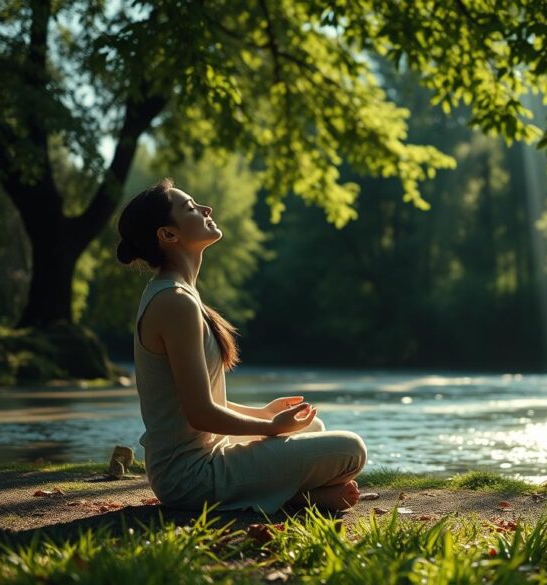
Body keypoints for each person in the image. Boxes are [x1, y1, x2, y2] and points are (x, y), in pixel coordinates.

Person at [115, 177, 366, 514]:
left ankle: (291, 495)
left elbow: (201, 399)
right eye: (190, 208)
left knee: (314, 428)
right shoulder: (174, 302)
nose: (206, 209)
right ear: (169, 235)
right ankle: (296, 498)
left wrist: (263, 413)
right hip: (188, 477)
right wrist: (269, 427)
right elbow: (200, 413)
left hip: (208, 454)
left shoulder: (179, 294)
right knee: (351, 450)